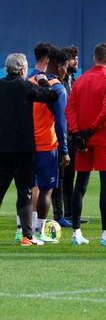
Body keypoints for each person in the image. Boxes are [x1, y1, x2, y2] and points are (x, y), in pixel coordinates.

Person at [66, 43, 106, 247]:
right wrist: (90, 131)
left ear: (94, 58)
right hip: (103, 137)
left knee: (80, 185)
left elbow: (70, 108)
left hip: (82, 139)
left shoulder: (81, 80)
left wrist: (77, 133)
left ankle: (76, 233)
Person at [1, 53, 59, 246]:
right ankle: (27, 236)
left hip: (2, 148)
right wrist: (43, 81)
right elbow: (52, 95)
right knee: (24, 191)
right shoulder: (26, 87)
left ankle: (26, 235)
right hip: (24, 148)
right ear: (23, 70)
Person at [28, 47, 70, 243]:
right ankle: (39, 230)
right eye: (66, 68)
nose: (66, 72)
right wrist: (64, 150)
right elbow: (61, 123)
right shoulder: (57, 88)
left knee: (27, 187)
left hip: (26, 145)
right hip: (46, 145)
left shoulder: (28, 82)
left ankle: (23, 230)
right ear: (60, 67)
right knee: (46, 190)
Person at [53, 45, 80, 227]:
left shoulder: (72, 80)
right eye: (72, 58)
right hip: (58, 136)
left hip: (70, 135)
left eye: (77, 57)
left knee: (70, 175)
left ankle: (70, 213)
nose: (76, 61)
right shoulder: (59, 83)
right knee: (60, 176)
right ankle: (59, 215)